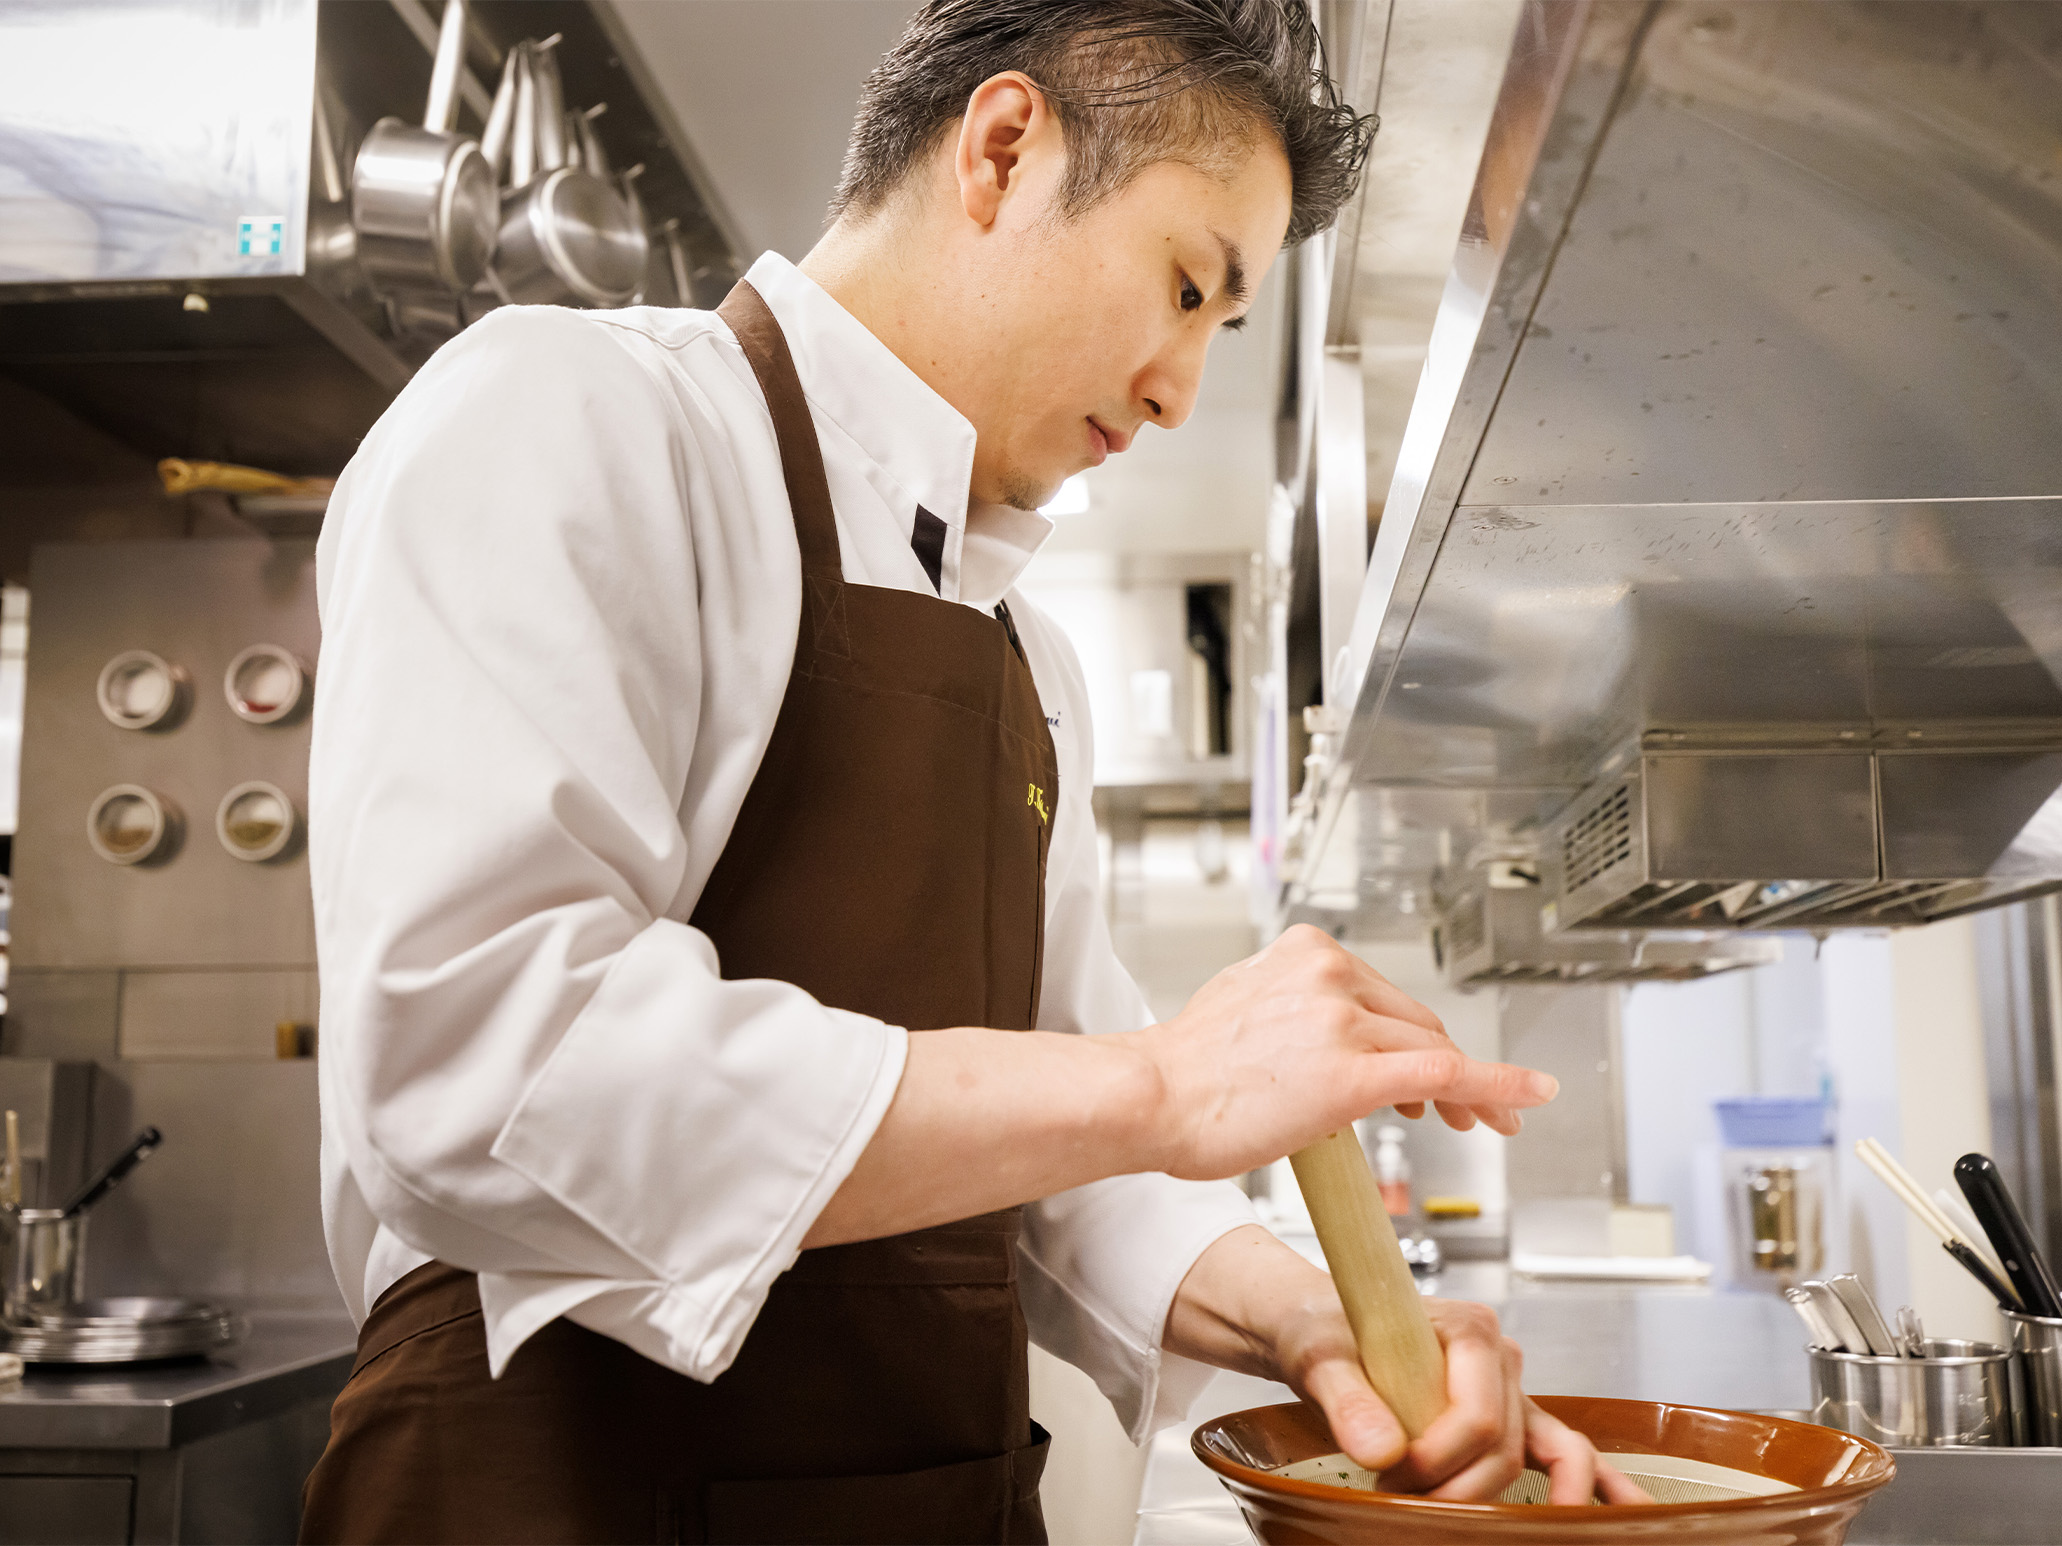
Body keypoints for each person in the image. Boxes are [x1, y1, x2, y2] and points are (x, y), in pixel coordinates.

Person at [299, 3, 1642, 1539]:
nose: (1176, 391)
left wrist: (1316, 1325)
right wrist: (1161, 1079)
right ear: (1003, 148)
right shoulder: (575, 416)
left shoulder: (1026, 660)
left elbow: (1070, 1163)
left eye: (1220, 330)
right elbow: (480, 1064)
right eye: (1187, 285)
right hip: (546, 1496)